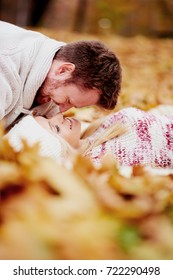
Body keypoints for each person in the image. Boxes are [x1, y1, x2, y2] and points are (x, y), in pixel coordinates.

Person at [0, 20, 122, 129]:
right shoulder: (6, 65)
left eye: (73, 106)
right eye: (68, 100)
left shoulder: (53, 79)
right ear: (63, 70)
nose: (62, 110)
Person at [5, 106, 173, 172]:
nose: (58, 116)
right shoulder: (99, 164)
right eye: (55, 128)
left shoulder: (91, 132)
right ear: (58, 148)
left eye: (49, 118)